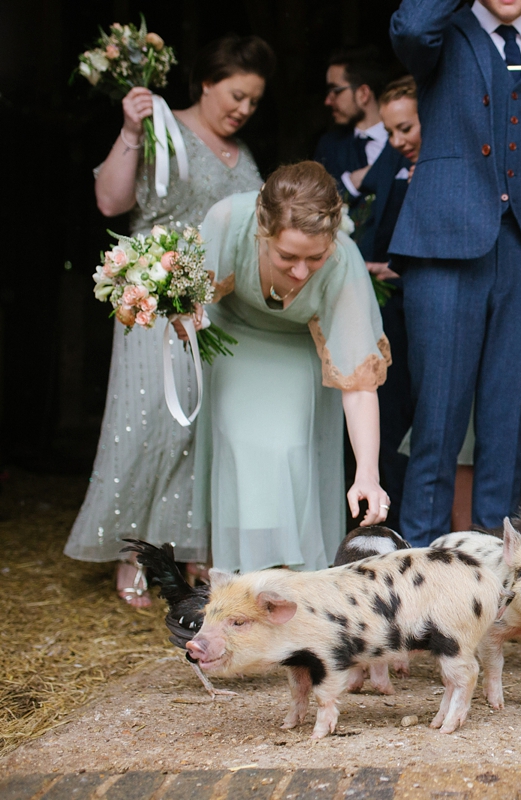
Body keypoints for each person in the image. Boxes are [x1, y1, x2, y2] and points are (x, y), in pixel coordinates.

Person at [65, 34, 275, 606]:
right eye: (236, 95)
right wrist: (131, 131)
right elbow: (110, 202)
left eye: (253, 101)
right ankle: (134, 550)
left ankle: (183, 547)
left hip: (214, 308)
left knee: (200, 432)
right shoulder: (162, 129)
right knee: (150, 426)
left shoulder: (245, 154)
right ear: (206, 83)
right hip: (154, 300)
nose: (243, 109)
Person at [390, 0, 521, 546]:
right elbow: (409, 26)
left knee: (507, 434)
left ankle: (494, 587)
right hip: (445, 249)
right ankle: (420, 585)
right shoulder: (442, 33)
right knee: (437, 428)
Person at [192, 162, 391, 573]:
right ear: (262, 232)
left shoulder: (344, 264)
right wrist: (184, 318)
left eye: (314, 258)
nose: (301, 272)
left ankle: (285, 583)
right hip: (234, 340)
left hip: (300, 348)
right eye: (287, 256)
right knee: (243, 445)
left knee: (289, 448)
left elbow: (358, 384)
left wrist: (367, 474)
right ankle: (239, 579)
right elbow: (190, 295)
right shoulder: (228, 220)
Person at [361, 77, 420, 530]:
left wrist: (394, 270)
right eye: (390, 132)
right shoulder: (395, 166)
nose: (397, 141)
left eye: (406, 128)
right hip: (389, 318)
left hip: (419, 317)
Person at [314, 47, 393, 259]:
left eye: (336, 91)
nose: (328, 100)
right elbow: (312, 207)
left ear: (363, 93)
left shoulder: (405, 143)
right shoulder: (329, 146)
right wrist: (352, 181)